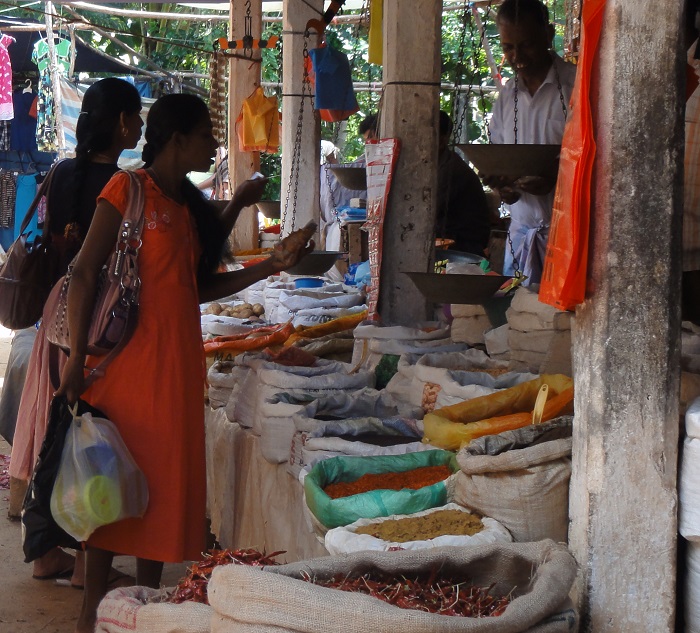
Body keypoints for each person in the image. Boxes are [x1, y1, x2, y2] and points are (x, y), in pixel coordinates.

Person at [54, 93, 313, 633]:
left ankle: (141, 614)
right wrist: (77, 358)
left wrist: (272, 263)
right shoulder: (127, 189)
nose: (215, 144)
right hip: (125, 372)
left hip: (174, 374)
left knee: (161, 497)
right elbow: (82, 275)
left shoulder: (186, 208)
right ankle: (88, 618)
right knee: (111, 497)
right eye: (206, 135)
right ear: (177, 140)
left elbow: (197, 288)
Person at [8, 77, 144, 589]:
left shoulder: (62, 173)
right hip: (98, 319)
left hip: (56, 311)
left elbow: (40, 235)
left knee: (55, 430)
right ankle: (89, 560)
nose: (140, 125)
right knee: (95, 434)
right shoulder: (125, 186)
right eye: (135, 116)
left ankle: (46, 554)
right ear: (123, 123)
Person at [482, 0, 576, 283]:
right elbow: (502, 162)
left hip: (568, 235)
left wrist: (554, 180)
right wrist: (505, 187)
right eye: (508, 48)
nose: (517, 56)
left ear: (548, 35)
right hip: (521, 236)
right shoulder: (506, 97)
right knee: (521, 322)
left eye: (527, 45)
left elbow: (597, 160)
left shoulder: (576, 87)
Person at [437, 111, 492, 255]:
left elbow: (427, 210)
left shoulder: (451, 169)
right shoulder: (438, 164)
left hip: (464, 246)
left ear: (442, 140)